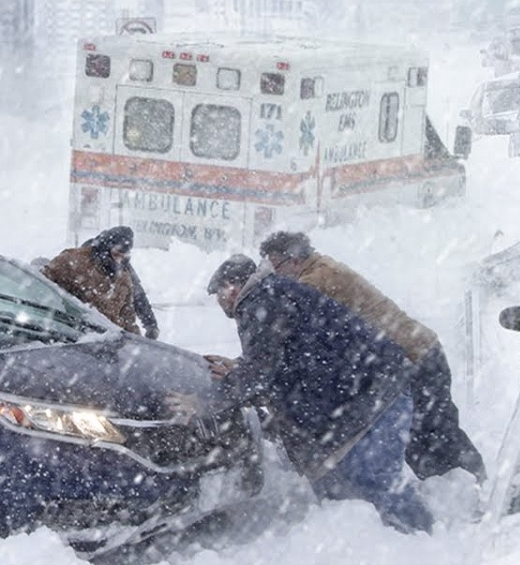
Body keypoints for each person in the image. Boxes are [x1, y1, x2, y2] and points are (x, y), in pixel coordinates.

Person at [191, 254, 432, 533]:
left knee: (373, 477)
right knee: (341, 486)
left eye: (218, 294)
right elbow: (278, 360)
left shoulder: (260, 302)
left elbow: (262, 372)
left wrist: (205, 403)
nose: (220, 301)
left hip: (375, 392)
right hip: (362, 392)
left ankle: (424, 540)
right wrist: (240, 369)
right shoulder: (273, 294)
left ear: (231, 288)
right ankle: (369, 544)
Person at [257, 231, 486, 482]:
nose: (274, 276)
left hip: (414, 357)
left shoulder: (315, 280)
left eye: (275, 267)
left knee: (434, 434)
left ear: (294, 260)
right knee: (428, 433)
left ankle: (473, 488)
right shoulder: (321, 269)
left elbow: (290, 331)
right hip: (415, 353)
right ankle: (463, 488)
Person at [40, 226, 159, 338]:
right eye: (116, 254)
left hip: (109, 340)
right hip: (75, 336)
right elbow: (41, 284)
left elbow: (133, 304)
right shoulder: (74, 261)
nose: (119, 260)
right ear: (106, 248)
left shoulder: (124, 272)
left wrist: (142, 335)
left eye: (124, 256)